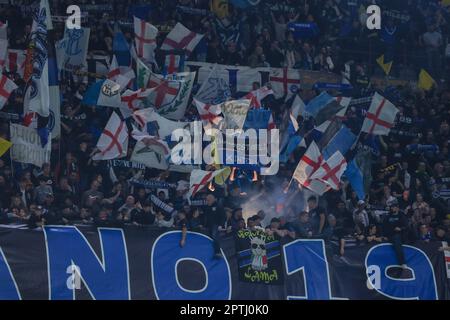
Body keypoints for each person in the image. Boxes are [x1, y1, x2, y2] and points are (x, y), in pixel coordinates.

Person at [383, 199, 408, 268]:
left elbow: (406, 226)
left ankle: (402, 262)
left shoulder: (401, 215)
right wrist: (384, 235)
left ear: (397, 207)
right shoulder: (388, 217)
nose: (392, 208)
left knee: (397, 238)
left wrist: (400, 229)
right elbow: (384, 227)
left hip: (400, 235)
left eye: (394, 207)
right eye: (391, 207)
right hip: (390, 235)